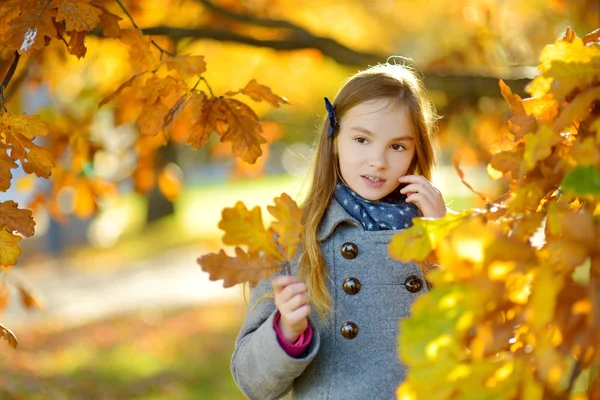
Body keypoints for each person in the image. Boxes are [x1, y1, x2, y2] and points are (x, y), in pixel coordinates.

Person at [231, 62, 446, 400]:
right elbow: (252, 383)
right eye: (362, 139)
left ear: (416, 151)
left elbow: (484, 346)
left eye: (397, 146)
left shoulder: (448, 232)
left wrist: (441, 245)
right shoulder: (292, 239)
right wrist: (287, 331)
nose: (378, 160)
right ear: (334, 139)